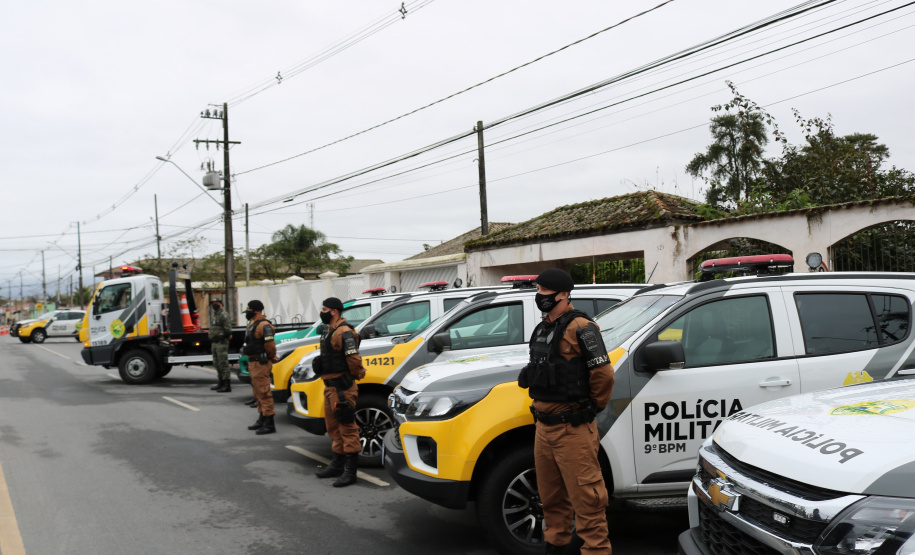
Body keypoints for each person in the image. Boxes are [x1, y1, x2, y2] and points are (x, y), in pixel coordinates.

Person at [517, 268, 613, 555]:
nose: (539, 297)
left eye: (544, 292)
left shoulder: (582, 327)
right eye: (538, 291)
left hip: (573, 429)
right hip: (544, 429)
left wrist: (590, 408)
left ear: (563, 294)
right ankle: (555, 546)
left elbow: (604, 375)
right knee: (551, 500)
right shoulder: (543, 327)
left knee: (588, 503)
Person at [313, 297, 366, 487]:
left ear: (334, 311)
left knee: (347, 427)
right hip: (330, 388)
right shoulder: (330, 331)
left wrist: (357, 375)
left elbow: (353, 360)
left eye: (325, 309)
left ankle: (350, 472)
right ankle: (337, 465)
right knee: (334, 428)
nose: (322, 312)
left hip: (342, 389)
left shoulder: (344, 332)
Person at [243, 300, 279, 435]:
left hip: (261, 363)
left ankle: (269, 423)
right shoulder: (253, 324)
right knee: (258, 393)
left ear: (256, 311)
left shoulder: (264, 325)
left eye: (249, 309)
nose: (247, 312)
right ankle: (262, 418)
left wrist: (271, 356)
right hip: (254, 362)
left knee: (264, 392)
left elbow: (270, 345)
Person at [208, 299, 233, 393]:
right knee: (216, 363)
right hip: (215, 342)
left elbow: (228, 329)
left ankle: (227, 384)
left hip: (221, 342)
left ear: (221, 304)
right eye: (212, 304)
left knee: (223, 363)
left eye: (216, 304)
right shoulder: (215, 315)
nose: (214, 305)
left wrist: (223, 337)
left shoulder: (223, 315)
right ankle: (221, 382)